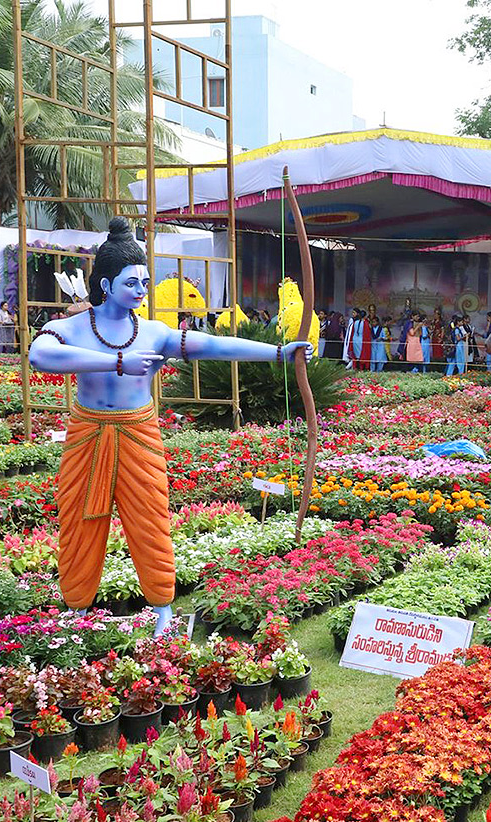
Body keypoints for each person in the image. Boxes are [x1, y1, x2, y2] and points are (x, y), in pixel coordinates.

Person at [28, 217, 310, 636]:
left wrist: (277, 352)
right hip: (88, 435)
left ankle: (161, 607)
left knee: (150, 519)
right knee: (80, 520)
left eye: (144, 282)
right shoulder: (69, 329)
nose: (141, 291)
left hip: (139, 434)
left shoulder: (153, 332)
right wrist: (117, 361)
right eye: (131, 283)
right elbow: (40, 356)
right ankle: (78, 607)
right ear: (105, 286)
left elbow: (211, 345)